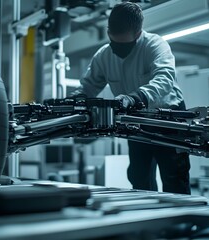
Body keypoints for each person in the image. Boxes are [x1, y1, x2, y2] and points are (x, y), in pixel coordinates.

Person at [72, 2, 190, 194]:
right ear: (108, 31)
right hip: (135, 122)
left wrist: (136, 97)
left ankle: (181, 221)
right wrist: (74, 100)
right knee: (138, 176)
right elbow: (88, 86)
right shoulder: (104, 56)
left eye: (123, 43)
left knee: (174, 177)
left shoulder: (155, 45)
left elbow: (165, 78)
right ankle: (146, 221)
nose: (117, 48)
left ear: (138, 33)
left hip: (169, 120)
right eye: (113, 40)